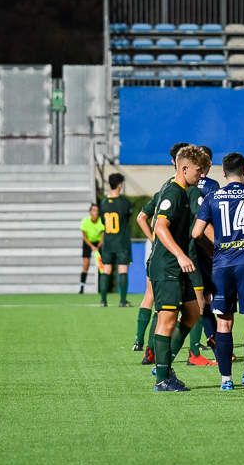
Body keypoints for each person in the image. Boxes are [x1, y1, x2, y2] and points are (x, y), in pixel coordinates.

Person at [193, 152, 244, 392]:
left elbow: (196, 232)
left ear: (223, 173)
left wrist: (216, 246)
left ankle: (226, 379)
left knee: (223, 323)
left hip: (221, 266)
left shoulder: (213, 196)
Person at [146, 145, 209, 391]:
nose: (202, 174)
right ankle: (162, 378)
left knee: (193, 313)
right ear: (184, 168)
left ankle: (165, 363)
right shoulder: (173, 192)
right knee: (167, 319)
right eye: (199, 169)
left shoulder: (185, 192)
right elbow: (160, 226)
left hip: (178, 267)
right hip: (167, 266)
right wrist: (181, 255)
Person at [132, 142, 188, 359]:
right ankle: (184, 353)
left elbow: (141, 217)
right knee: (171, 308)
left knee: (152, 298)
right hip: (170, 253)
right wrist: (159, 238)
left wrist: (154, 239)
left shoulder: (164, 187)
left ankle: (143, 343)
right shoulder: (176, 191)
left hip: (158, 250)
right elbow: (158, 223)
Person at [184, 145, 220, 367]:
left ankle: (151, 349)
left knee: (166, 306)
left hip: (181, 249)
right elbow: (209, 219)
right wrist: (219, 247)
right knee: (201, 301)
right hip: (200, 250)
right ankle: (196, 351)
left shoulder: (176, 185)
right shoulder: (211, 186)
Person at [98, 173, 134, 307]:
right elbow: (128, 217)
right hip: (121, 242)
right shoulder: (124, 202)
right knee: (123, 270)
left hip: (107, 242)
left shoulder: (103, 203)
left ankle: (103, 301)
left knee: (106, 270)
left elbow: (103, 221)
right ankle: (123, 301)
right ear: (120, 185)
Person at [79, 203, 104, 294]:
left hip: (98, 243)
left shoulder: (101, 221)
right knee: (86, 264)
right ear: (90, 212)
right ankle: (81, 287)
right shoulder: (85, 221)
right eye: (93, 210)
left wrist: (98, 246)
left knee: (101, 264)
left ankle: (103, 288)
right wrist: (92, 247)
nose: (95, 212)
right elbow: (84, 237)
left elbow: (102, 237)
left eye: (97, 210)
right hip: (88, 243)